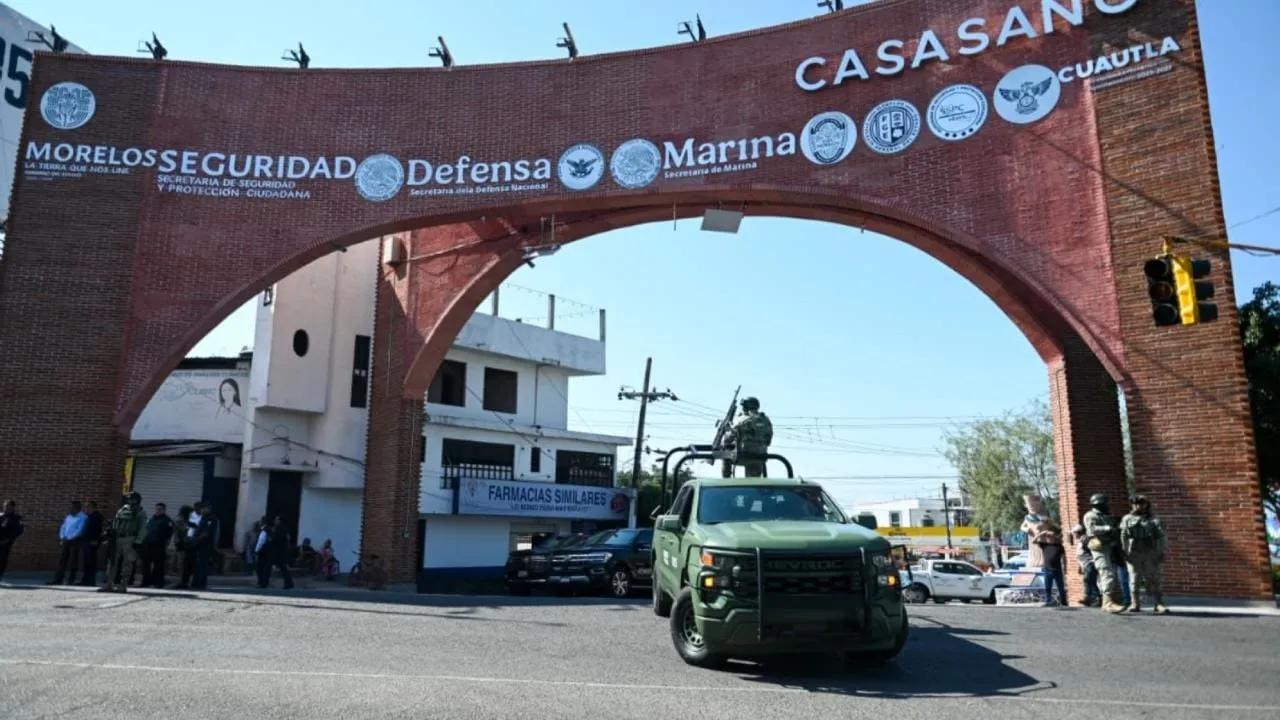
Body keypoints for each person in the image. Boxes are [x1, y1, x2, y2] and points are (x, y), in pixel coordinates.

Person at [1120, 494, 1169, 613]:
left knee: (1154, 578)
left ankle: (1159, 604)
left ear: (1147, 505)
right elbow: (1124, 536)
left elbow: (1161, 537)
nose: (1139, 506)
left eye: (1142, 503)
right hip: (1134, 551)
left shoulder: (1154, 520)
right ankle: (1135, 603)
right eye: (1136, 504)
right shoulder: (1127, 519)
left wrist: (1162, 551)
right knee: (1134, 578)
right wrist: (1124, 551)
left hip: (1150, 551)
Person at [1082, 493, 1124, 613]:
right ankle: (1107, 602)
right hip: (1099, 547)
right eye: (1104, 503)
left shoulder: (1106, 515)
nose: (1107, 505)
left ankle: (1108, 600)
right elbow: (1092, 529)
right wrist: (1107, 528)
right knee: (1107, 573)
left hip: (1110, 546)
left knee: (1111, 574)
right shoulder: (1091, 515)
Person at [101, 492, 146, 593]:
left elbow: (142, 528)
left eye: (133, 499)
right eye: (129, 499)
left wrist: (138, 541)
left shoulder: (140, 512)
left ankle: (123, 585)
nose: (130, 501)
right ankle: (109, 584)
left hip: (129, 538)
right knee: (112, 562)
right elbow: (116, 522)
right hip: (117, 538)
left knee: (127, 563)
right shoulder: (122, 509)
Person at [725, 396, 773, 477]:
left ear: (746, 407)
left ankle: (725, 482)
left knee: (724, 454)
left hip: (743, 456)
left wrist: (726, 431)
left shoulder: (742, 419)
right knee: (753, 482)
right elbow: (768, 441)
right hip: (760, 457)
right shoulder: (766, 420)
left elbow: (727, 439)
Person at [1071, 525, 1101, 606]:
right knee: (1091, 581)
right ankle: (1096, 598)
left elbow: (1092, 549)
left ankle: (1089, 597)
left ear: (1077, 533)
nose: (1073, 535)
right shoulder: (1081, 540)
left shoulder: (1085, 539)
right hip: (1085, 564)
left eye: (1074, 533)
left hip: (1090, 562)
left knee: (1087, 580)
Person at [0, 500, 24, 580]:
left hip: (6, 542)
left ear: (13, 507)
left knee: (2, 558)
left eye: (8, 506)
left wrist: (9, 539)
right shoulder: (1, 516)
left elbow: (19, 530)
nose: (6, 508)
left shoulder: (17, 518)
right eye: (5, 506)